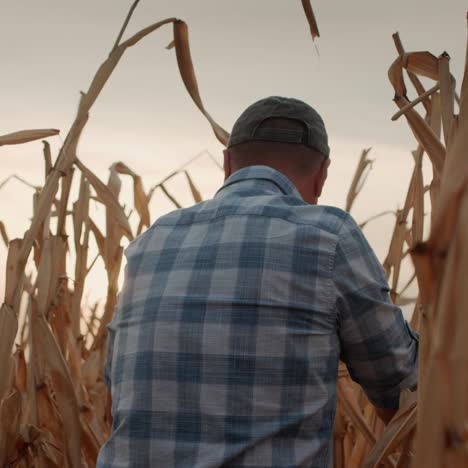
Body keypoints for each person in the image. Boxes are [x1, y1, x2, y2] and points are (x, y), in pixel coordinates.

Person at [97, 96, 419, 468]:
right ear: (322, 174)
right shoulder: (328, 236)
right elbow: (402, 390)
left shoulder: (149, 243)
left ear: (228, 164)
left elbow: (116, 388)